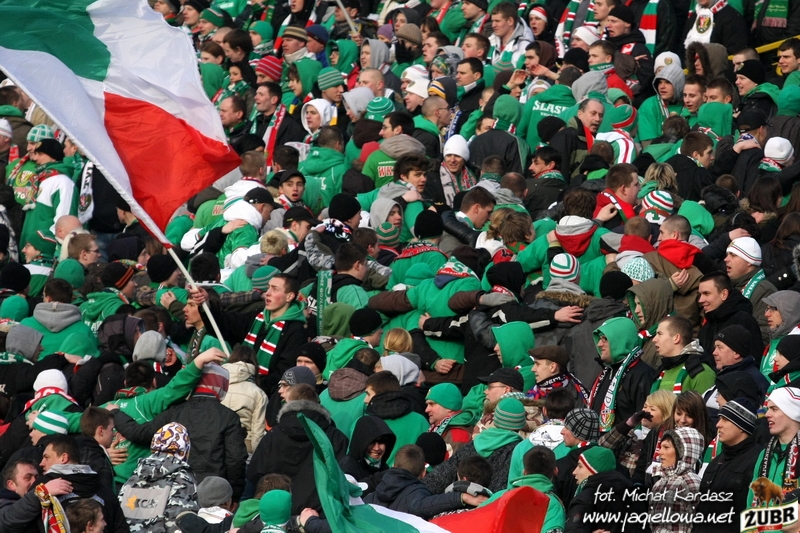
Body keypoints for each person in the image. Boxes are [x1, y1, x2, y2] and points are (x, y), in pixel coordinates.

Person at [364, 444, 487, 517]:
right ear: (423, 473)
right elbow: (423, 505)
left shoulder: (372, 496)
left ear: (394, 466)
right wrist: (462, 497)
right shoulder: (416, 493)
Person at [696, 398, 763, 532]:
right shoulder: (716, 461)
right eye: (719, 419)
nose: (718, 425)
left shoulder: (758, 460)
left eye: (725, 420)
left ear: (742, 426)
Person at [118, 422, 199, 532]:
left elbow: (119, 515)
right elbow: (183, 523)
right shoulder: (182, 477)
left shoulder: (136, 474)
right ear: (184, 449)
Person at [589, 317, 656, 434]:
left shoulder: (643, 374)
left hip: (626, 443)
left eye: (605, 339)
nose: (599, 344)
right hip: (601, 442)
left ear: (621, 340)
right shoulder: (606, 372)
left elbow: (645, 422)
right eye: (599, 339)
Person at [746, 387, 800, 505]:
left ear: (792, 413)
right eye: (768, 409)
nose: (767, 414)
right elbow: (751, 502)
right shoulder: (765, 454)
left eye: (774, 409)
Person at [648, 427, 705, 532]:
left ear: (683, 452)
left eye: (666, 447)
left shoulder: (690, 482)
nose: (660, 452)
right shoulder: (659, 482)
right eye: (660, 447)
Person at [697, 272, 765, 358]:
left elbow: (752, 359)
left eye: (706, 293)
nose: (701, 300)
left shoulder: (743, 320)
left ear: (724, 294)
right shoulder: (709, 323)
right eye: (700, 294)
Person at [651, 315, 717, 395]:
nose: (654, 339)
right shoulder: (661, 372)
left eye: (660, 334)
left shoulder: (702, 373)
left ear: (676, 338)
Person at [338, 415, 396, 495]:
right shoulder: (347, 466)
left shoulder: (383, 467)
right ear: (360, 442)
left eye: (381, 442)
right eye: (371, 442)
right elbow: (351, 494)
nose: (376, 448)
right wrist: (380, 478)